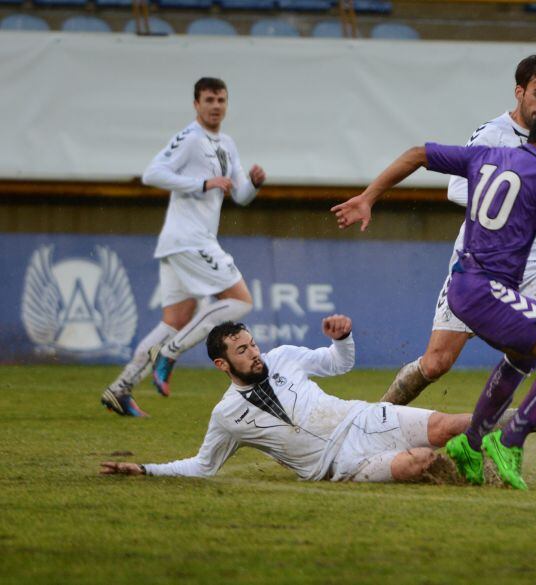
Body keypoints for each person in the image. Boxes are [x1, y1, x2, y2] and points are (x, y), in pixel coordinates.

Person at [333, 53, 536, 472]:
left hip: (530, 262)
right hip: (479, 257)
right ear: (519, 91)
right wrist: (509, 208)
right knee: (437, 363)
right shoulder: (492, 135)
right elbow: (456, 189)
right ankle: (369, 423)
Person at [100, 317, 474, 484]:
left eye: (253, 344)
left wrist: (342, 338)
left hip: (361, 418)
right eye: (242, 350)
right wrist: (147, 469)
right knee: (419, 462)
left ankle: (526, 422)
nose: (254, 353)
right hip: (342, 465)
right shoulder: (227, 415)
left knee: (449, 425)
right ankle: (472, 467)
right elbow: (202, 467)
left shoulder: (283, 357)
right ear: (222, 364)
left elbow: (338, 364)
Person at [101, 77, 266, 417]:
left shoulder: (227, 143)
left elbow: (240, 195)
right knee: (239, 301)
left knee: (174, 320)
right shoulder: (190, 139)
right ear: (196, 104)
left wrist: (253, 184)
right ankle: (171, 352)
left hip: (185, 242)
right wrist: (202, 183)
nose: (216, 106)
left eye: (221, 100)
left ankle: (121, 388)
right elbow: (153, 174)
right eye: (209, 100)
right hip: (189, 240)